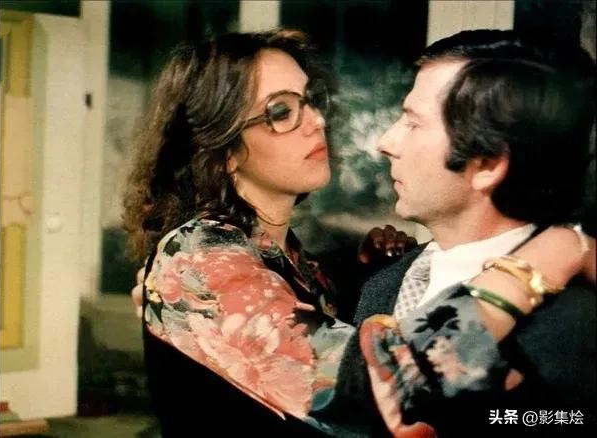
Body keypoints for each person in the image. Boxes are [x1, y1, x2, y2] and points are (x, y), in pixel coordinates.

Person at [123, 28, 595, 437]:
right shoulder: (199, 257)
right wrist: (548, 255)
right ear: (224, 150)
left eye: (310, 100)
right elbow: (372, 384)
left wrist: (369, 269)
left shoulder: (289, 257)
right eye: (281, 112)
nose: (317, 120)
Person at [354, 30, 596, 436]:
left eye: (413, 123)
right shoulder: (384, 284)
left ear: (486, 165)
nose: (385, 142)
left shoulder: (572, 329)